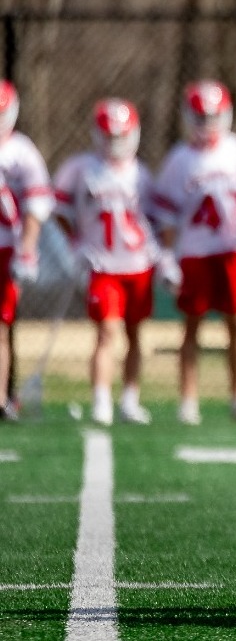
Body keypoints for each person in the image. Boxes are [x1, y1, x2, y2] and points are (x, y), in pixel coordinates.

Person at [151, 81, 236, 424]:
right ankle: (188, 400)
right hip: (195, 251)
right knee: (192, 326)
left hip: (233, 250)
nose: (207, 124)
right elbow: (167, 215)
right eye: (201, 117)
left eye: (213, 116)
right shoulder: (179, 160)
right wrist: (168, 255)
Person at [53, 99, 160, 426]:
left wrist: (161, 255)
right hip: (102, 265)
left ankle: (130, 399)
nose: (115, 143)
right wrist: (76, 244)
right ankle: (101, 400)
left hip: (138, 264)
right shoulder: (80, 168)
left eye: (120, 136)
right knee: (106, 332)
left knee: (135, 333)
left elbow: (153, 220)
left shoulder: (141, 174)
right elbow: (59, 210)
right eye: (109, 136)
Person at [0, 80, 53, 419]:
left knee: (0, 326)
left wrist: (27, 250)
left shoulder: (22, 152)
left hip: (6, 247)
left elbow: (36, 204)